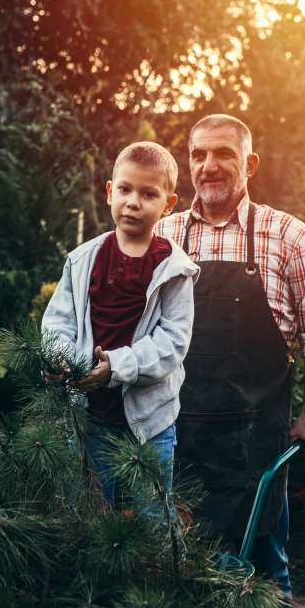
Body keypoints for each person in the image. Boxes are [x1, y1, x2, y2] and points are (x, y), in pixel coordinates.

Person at [156, 114, 305, 608]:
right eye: (198, 154)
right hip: (175, 438)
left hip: (253, 447)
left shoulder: (289, 237)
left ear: (250, 164)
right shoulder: (162, 236)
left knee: (264, 573)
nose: (208, 166)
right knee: (171, 573)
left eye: (223, 154)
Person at [42, 141, 199, 506]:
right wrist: (63, 361)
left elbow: (173, 341)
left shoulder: (174, 269)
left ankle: (156, 565)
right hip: (88, 415)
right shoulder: (82, 260)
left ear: (169, 204)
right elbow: (58, 323)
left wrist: (116, 366)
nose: (133, 202)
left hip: (148, 422)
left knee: (150, 516)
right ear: (110, 192)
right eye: (125, 190)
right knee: (92, 512)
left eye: (148, 194)